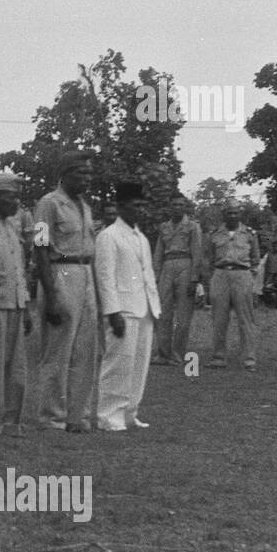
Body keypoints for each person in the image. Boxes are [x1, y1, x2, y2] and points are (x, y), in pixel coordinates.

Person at [33, 150, 98, 433]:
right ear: (64, 174)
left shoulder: (85, 206)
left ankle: (78, 416)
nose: (86, 178)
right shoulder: (48, 204)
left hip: (85, 273)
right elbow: (40, 249)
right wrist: (51, 295)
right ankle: (52, 416)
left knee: (85, 349)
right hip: (60, 273)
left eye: (88, 173)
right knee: (59, 349)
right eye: (80, 173)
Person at [94, 182, 161, 432]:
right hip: (123, 309)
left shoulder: (141, 237)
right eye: (135, 206)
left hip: (144, 308)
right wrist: (113, 312)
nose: (141, 210)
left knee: (139, 365)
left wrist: (156, 308)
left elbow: (148, 274)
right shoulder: (109, 236)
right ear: (121, 207)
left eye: (143, 206)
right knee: (118, 364)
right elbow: (105, 277)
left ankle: (130, 412)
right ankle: (109, 416)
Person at [0, 172, 33, 437]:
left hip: (17, 303)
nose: (16, 202)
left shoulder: (13, 227)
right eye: (11, 197)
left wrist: (27, 306)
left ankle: (12, 420)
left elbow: (19, 268)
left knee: (17, 368)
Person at [204, 201, 260, 370]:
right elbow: (209, 258)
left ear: (240, 214)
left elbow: (256, 258)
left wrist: (250, 277)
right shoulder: (214, 234)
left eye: (235, 213)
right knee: (219, 318)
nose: (232, 216)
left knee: (246, 319)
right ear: (224, 215)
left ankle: (249, 359)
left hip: (242, 274)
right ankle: (218, 357)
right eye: (229, 213)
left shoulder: (249, 233)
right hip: (220, 274)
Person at [151, 194, 202, 366]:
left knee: (183, 315)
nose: (177, 208)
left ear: (185, 207)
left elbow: (197, 252)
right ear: (169, 207)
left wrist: (194, 278)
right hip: (167, 265)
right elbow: (158, 253)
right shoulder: (164, 227)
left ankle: (177, 354)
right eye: (174, 205)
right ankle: (162, 353)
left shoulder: (193, 227)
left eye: (180, 205)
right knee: (162, 312)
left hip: (185, 265)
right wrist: (155, 276)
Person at [262, 241, 277, 308]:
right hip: (270, 274)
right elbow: (266, 266)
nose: (274, 248)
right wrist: (265, 277)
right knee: (267, 288)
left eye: (276, 246)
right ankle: (268, 303)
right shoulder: (269, 255)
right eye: (273, 246)